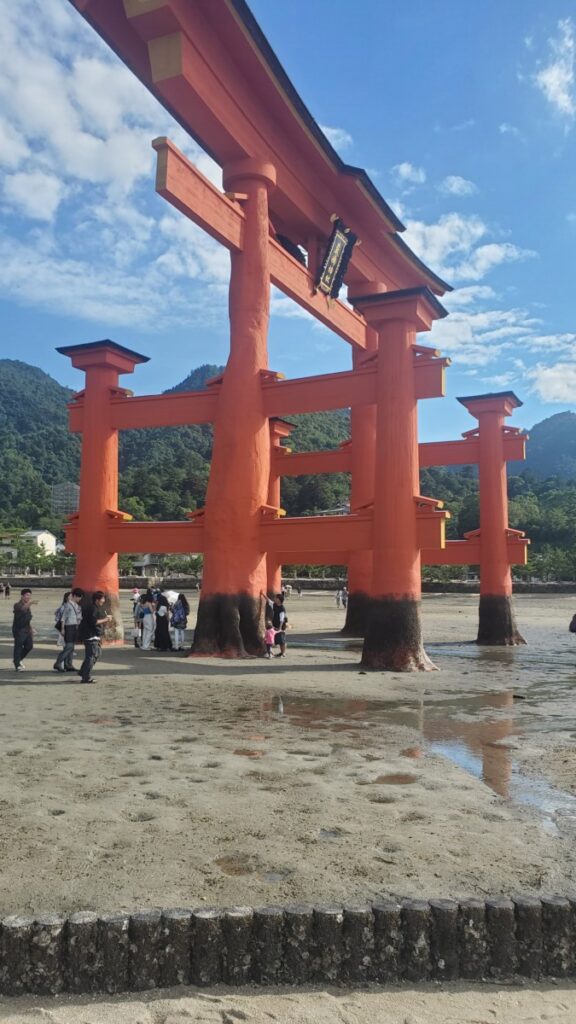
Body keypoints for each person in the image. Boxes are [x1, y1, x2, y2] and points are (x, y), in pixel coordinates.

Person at [78, 591, 111, 684]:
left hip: (95, 635)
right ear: (97, 600)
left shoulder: (96, 608)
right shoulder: (93, 608)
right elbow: (94, 622)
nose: (103, 601)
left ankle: (83, 671)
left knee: (97, 653)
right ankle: (86, 677)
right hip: (90, 635)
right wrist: (106, 619)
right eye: (102, 599)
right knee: (91, 656)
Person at [53, 588, 84, 673]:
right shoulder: (67, 605)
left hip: (75, 626)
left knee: (72, 647)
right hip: (68, 626)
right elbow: (63, 618)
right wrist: (62, 629)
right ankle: (58, 663)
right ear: (74, 596)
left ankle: (68, 664)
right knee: (69, 646)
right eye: (78, 597)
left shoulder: (77, 606)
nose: (79, 599)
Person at [12, 588, 33, 671]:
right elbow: (22, 609)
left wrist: (31, 628)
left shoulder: (27, 606)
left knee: (29, 646)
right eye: (27, 595)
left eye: (30, 596)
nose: (28, 597)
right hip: (19, 630)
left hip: (27, 629)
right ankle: (17, 665)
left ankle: (17, 660)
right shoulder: (17, 605)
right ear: (22, 596)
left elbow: (27, 619)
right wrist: (29, 604)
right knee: (18, 647)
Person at [261, 592, 288, 657]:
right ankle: (280, 653)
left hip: (281, 626)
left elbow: (282, 619)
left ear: (279, 599)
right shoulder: (275, 605)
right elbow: (269, 601)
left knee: (282, 640)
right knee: (276, 639)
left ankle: (283, 653)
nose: (275, 599)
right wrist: (263, 594)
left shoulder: (282, 608)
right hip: (275, 625)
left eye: (276, 598)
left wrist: (280, 627)